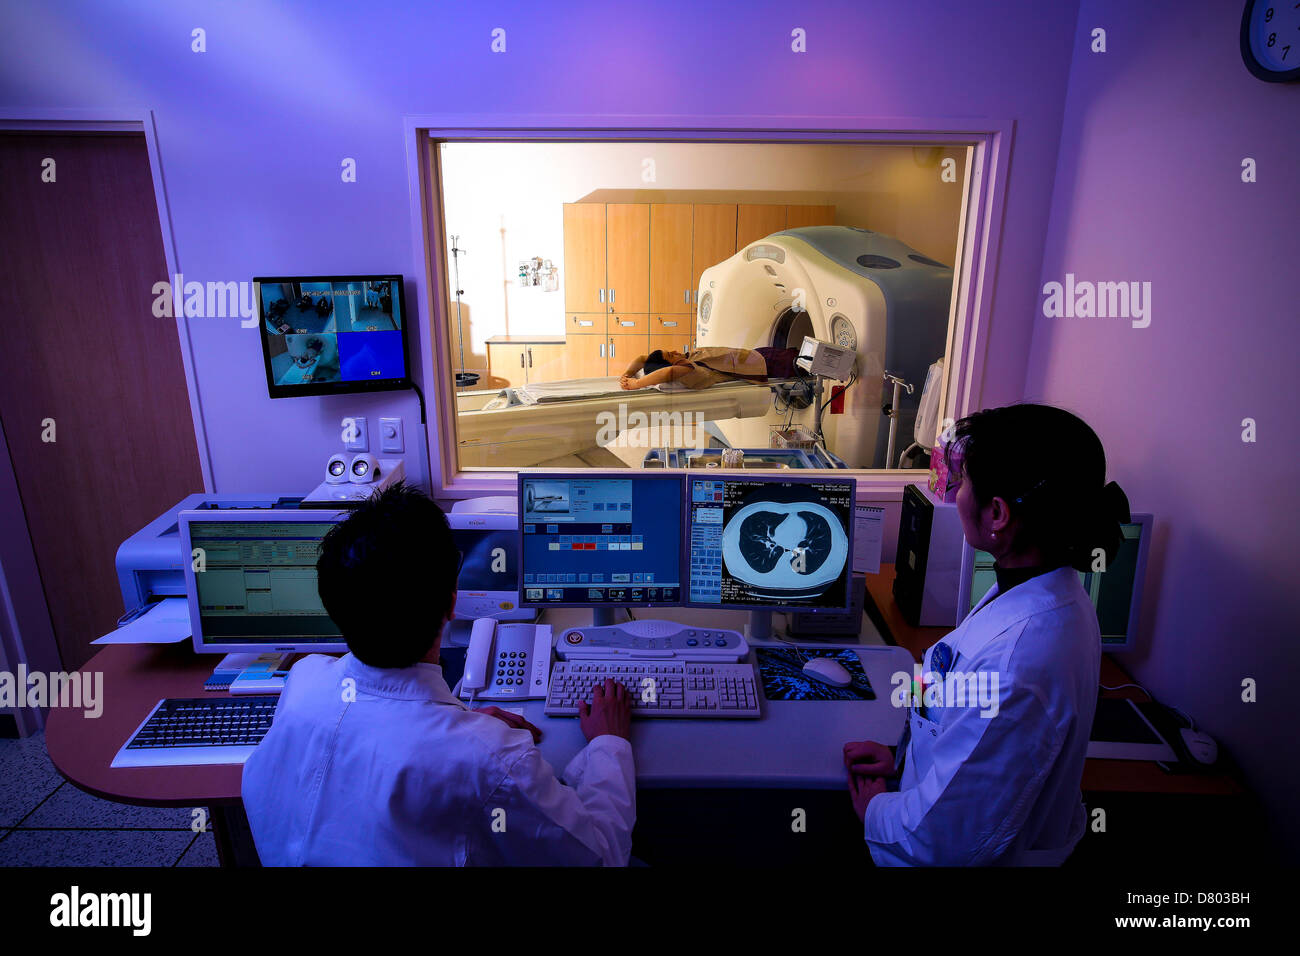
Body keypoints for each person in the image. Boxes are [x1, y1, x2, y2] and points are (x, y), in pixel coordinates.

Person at [241, 482, 636, 866]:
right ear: (451, 604)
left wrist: (461, 724)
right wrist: (608, 744)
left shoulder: (303, 681)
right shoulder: (491, 759)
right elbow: (601, 855)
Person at [843, 404, 1129, 865]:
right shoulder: (1040, 590)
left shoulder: (1019, 661)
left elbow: (939, 840)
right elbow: (965, 735)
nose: (956, 495)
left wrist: (876, 807)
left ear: (996, 513)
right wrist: (904, 760)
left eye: (965, 483)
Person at [619, 346, 800, 390]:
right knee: (805, 363)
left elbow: (643, 358)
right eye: (670, 355)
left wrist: (627, 374)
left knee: (801, 354)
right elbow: (669, 372)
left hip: (756, 354)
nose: (675, 351)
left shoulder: (686, 359)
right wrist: (637, 384)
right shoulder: (687, 371)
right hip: (763, 364)